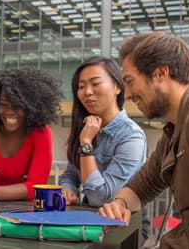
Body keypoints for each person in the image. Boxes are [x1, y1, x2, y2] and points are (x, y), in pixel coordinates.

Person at [98, 32, 189, 248]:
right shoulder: (175, 130)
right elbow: (144, 185)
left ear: (160, 73)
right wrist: (119, 204)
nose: (128, 94)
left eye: (130, 82)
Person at [59, 56, 149, 241]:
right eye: (81, 86)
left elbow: (100, 198)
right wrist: (68, 191)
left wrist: (86, 144)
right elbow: (70, 175)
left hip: (126, 227)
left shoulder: (132, 136)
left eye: (95, 83)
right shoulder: (87, 127)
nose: (87, 92)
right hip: (88, 217)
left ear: (117, 87)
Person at [0, 68, 63, 200]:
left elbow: (36, 187)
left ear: (30, 106)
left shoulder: (41, 132)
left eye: (17, 106)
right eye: (3, 105)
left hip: (24, 210)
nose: (9, 112)